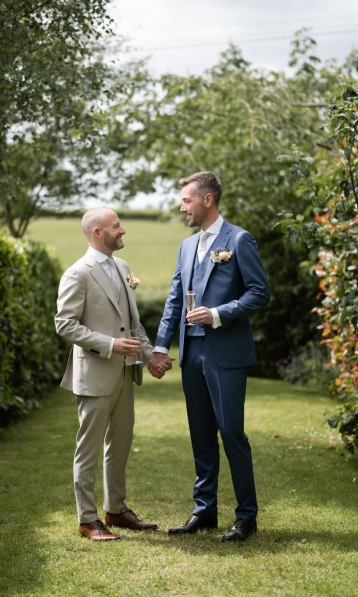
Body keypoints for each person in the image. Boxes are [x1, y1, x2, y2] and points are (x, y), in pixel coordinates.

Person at [149, 171, 270, 542]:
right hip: (191, 352)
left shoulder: (239, 239)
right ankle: (204, 511)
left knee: (232, 433)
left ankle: (246, 517)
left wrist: (218, 314)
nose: (182, 206)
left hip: (225, 352)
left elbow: (259, 293)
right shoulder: (187, 247)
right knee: (201, 435)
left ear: (207, 200)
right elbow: (174, 299)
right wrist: (159, 346)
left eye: (186, 200)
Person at [55, 208, 170, 541]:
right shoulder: (78, 273)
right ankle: (87, 519)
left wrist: (150, 357)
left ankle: (115, 510)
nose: (123, 231)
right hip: (94, 374)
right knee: (88, 448)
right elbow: (64, 324)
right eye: (116, 226)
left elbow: (133, 325)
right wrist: (108, 344)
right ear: (96, 232)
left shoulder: (122, 267)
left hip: (124, 374)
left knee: (120, 445)